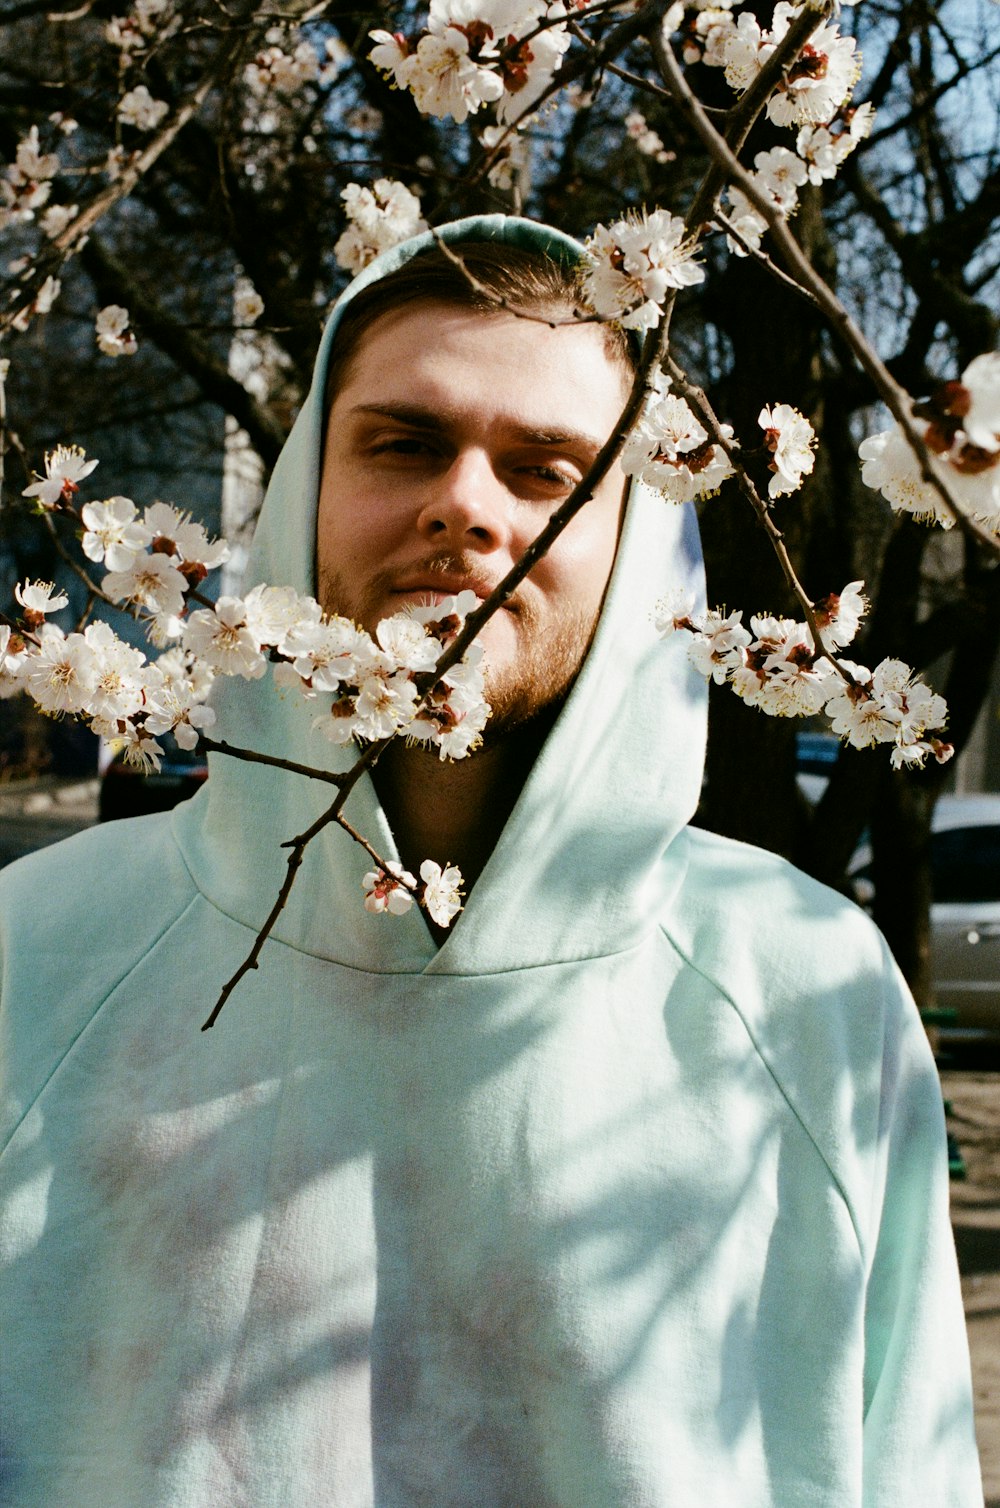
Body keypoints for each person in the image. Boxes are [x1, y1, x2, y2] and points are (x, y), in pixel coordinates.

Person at [0, 216, 983, 1508]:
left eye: (543, 469)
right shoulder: (36, 957)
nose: (463, 505)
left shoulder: (806, 994)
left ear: (633, 544)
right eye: (404, 443)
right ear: (304, 493)